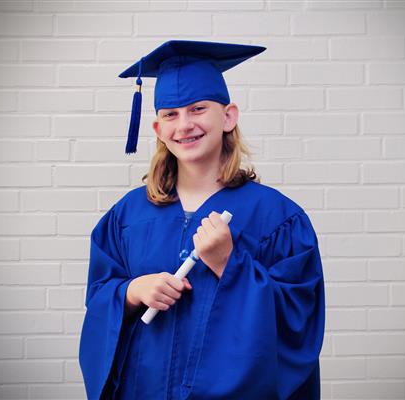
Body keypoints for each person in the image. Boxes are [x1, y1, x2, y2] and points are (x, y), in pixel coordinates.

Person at [79, 40, 325, 400]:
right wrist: (130, 292)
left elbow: (298, 324)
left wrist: (230, 264)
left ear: (228, 117)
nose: (184, 124)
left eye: (198, 109)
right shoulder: (126, 216)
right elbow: (99, 299)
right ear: (158, 129)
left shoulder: (279, 218)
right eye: (170, 114)